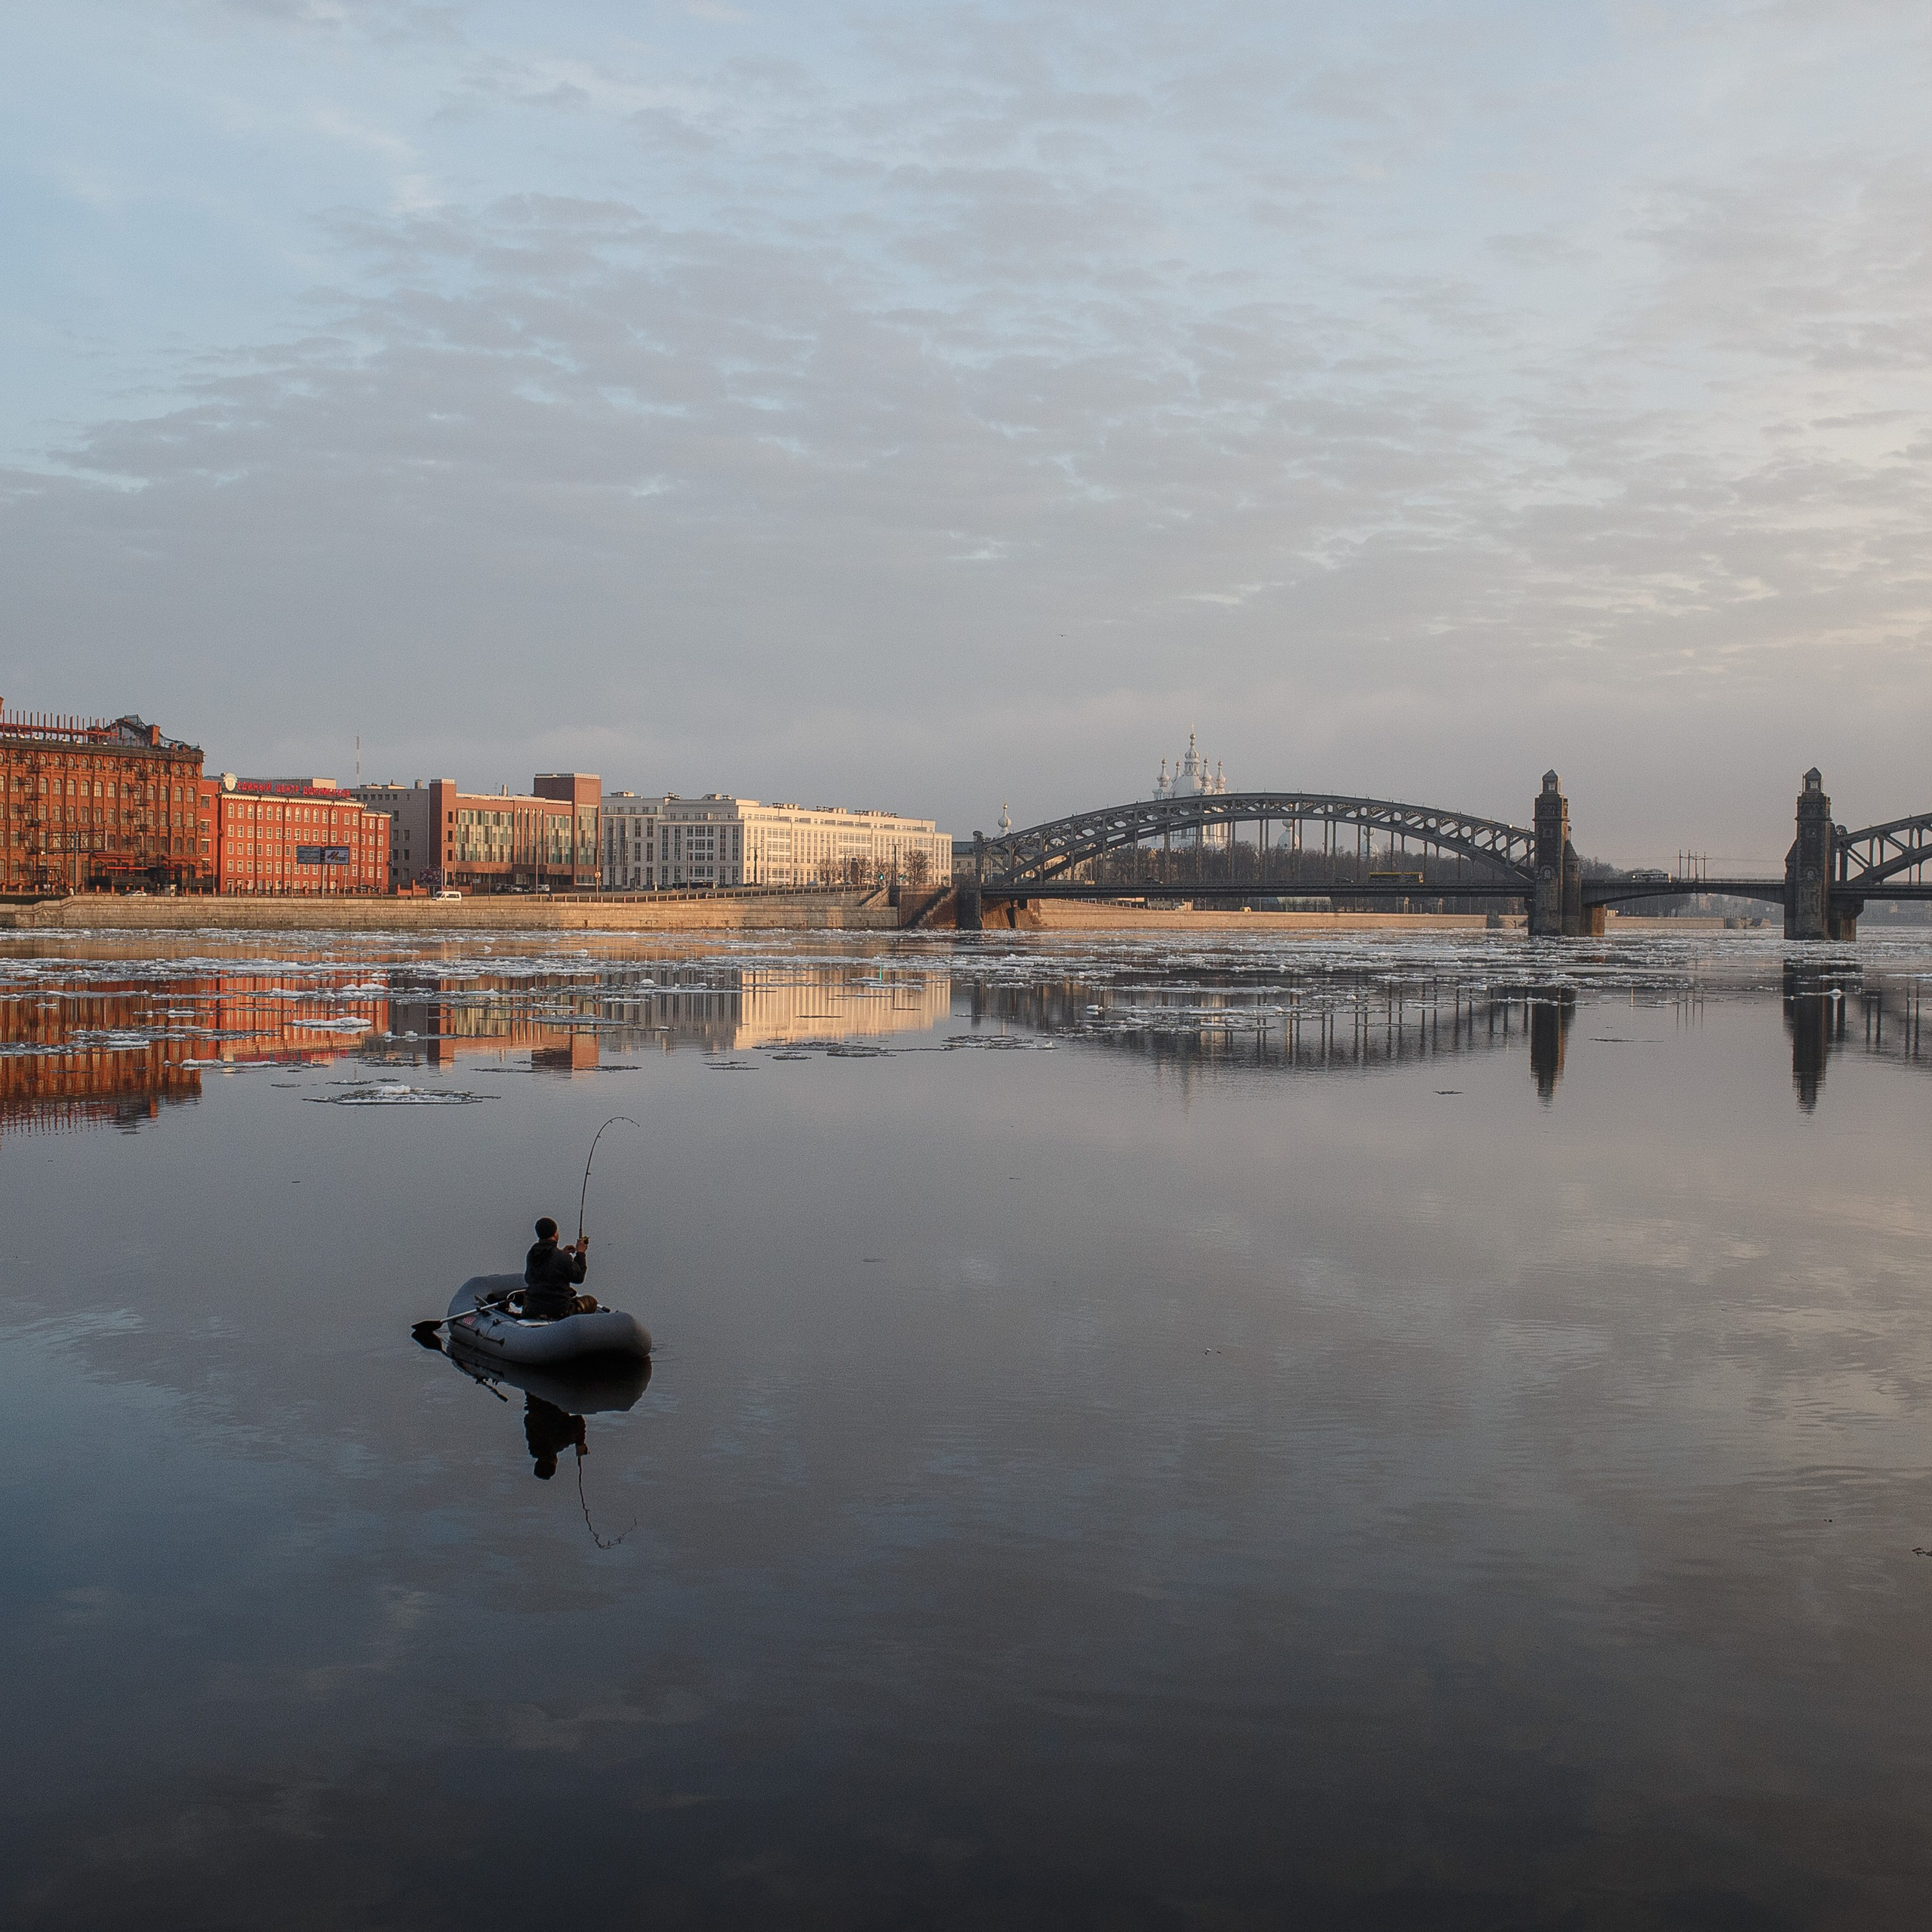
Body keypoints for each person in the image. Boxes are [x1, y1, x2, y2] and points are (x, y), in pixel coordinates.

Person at [523, 1216, 597, 1319]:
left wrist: (562, 1253)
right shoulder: (562, 1258)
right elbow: (579, 1277)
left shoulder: (532, 1254)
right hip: (559, 1310)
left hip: (533, 1308)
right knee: (591, 1302)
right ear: (555, 1234)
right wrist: (580, 1253)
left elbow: (546, 1265)